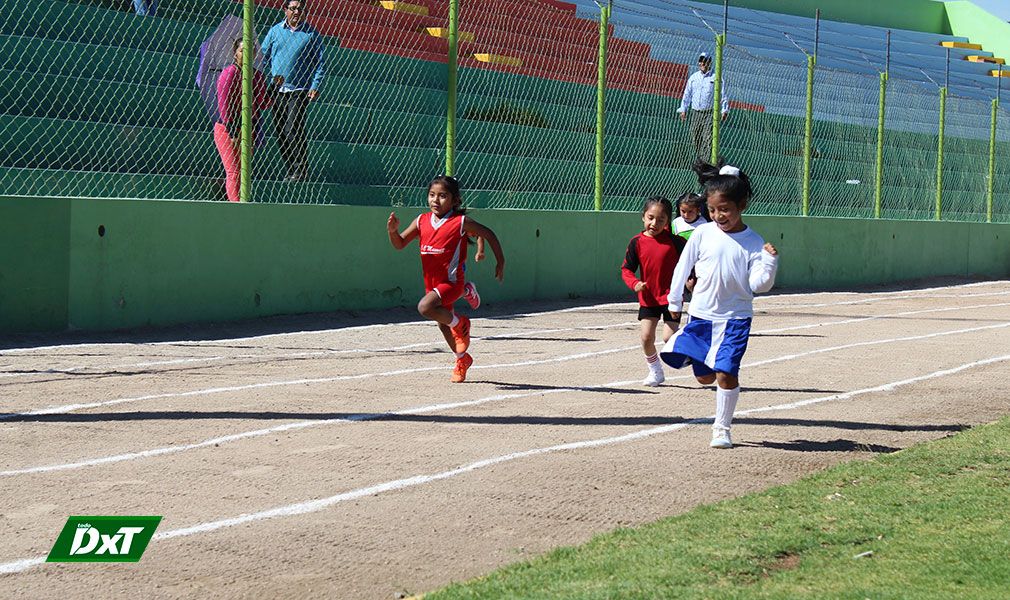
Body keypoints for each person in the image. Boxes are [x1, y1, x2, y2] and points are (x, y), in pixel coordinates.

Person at [660, 160, 779, 449]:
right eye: (712, 210)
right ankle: (695, 355)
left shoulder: (754, 242)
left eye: (724, 209)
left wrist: (771, 263)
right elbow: (682, 267)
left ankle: (721, 428)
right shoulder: (702, 233)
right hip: (700, 317)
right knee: (705, 378)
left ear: (742, 205)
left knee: (726, 373)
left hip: (735, 320)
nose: (718, 216)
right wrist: (674, 303)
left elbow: (758, 285)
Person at [387, 176, 506, 383]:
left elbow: (488, 234)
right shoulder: (421, 221)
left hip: (451, 283)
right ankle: (462, 359)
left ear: (455, 200)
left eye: (443, 196)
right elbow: (399, 244)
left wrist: (500, 262)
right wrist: (393, 231)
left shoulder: (459, 222)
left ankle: (462, 322)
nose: (436, 200)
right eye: (432, 195)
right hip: (432, 284)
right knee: (443, 324)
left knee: (425, 307)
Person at [621, 197, 687, 387]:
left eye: (660, 220)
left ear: (668, 222)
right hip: (648, 297)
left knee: (668, 337)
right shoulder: (636, 242)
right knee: (646, 337)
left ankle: (691, 346)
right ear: (643, 217)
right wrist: (634, 283)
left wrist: (692, 280)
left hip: (671, 297)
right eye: (651, 218)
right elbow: (626, 269)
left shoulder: (677, 243)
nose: (654, 223)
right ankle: (655, 371)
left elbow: (691, 264)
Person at [261, 0, 325, 181]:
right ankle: (291, 169)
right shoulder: (275, 31)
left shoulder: (311, 34)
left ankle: (301, 169)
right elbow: (263, 56)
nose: (297, 12)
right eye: (293, 8)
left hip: (299, 90)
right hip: (276, 89)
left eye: (300, 9)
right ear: (285, 10)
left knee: (292, 129)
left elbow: (320, 63)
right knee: (281, 132)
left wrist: (315, 85)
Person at [215, 39, 270, 202]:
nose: (246, 54)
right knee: (234, 171)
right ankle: (236, 205)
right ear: (235, 54)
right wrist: (233, 131)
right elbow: (224, 104)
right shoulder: (230, 73)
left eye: (251, 51)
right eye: (242, 51)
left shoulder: (257, 75)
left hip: (249, 129)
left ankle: (242, 199)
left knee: (244, 171)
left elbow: (264, 103)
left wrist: (273, 87)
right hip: (228, 128)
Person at [678, 52, 728, 162]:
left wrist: (724, 109)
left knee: (708, 138)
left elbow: (722, 94)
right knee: (695, 136)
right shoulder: (693, 77)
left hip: (709, 113)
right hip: (696, 112)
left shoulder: (716, 77)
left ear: (710, 62)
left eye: (705, 61)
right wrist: (683, 109)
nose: (703, 64)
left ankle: (704, 161)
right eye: (701, 61)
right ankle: (701, 157)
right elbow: (687, 94)